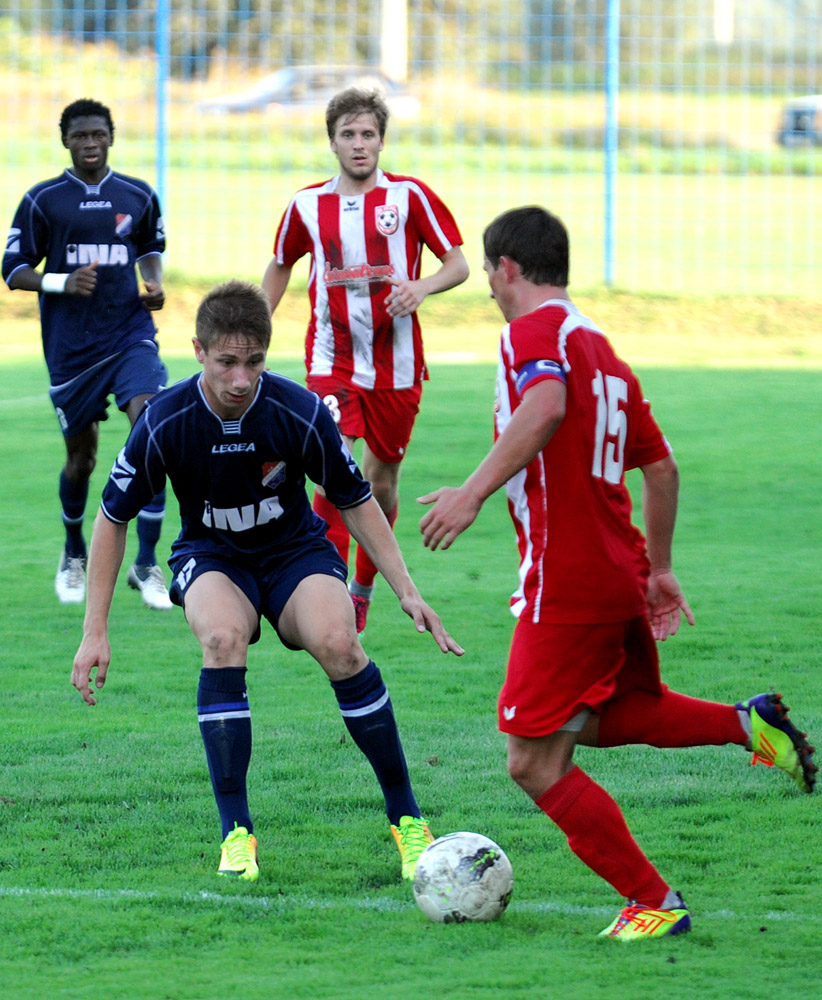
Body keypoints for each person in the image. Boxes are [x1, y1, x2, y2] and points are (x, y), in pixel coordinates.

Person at [418, 206, 817, 940]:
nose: (491, 291)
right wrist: (659, 571)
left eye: (491, 277)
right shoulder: (603, 351)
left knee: (532, 761)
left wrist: (470, 493)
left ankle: (653, 899)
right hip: (620, 569)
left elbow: (545, 406)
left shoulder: (531, 332)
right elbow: (661, 467)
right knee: (608, 714)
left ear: (507, 268)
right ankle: (747, 723)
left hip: (568, 577)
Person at [71, 279, 464, 884]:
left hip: (293, 551)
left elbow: (355, 499)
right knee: (222, 639)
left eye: (254, 362)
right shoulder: (164, 420)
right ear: (198, 351)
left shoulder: (298, 410)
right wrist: (94, 629)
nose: (241, 379)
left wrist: (406, 590)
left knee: (340, 644)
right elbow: (111, 517)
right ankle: (236, 834)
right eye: (226, 363)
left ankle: (409, 821)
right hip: (212, 555)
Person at [262, 87, 469, 635]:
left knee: (380, 484)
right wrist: (256, 325)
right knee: (332, 468)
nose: (359, 144)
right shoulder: (307, 205)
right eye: (348, 134)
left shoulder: (409, 197)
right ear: (332, 142)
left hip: (397, 367)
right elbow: (281, 263)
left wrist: (421, 287)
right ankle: (326, 589)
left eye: (368, 134)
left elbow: (458, 264)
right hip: (331, 360)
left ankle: (363, 586)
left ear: (382, 141)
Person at [2, 98, 172, 610]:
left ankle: (147, 562)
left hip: (129, 336)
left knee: (152, 431)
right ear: (66, 141)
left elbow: (150, 249)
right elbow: (13, 269)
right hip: (71, 351)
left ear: (111, 137)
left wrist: (154, 285)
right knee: (82, 460)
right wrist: (61, 280)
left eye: (99, 134)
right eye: (80, 135)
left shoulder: (138, 195)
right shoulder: (43, 200)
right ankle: (74, 550)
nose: (91, 143)